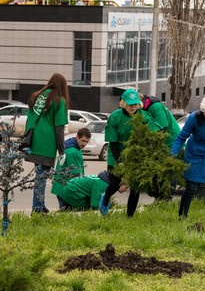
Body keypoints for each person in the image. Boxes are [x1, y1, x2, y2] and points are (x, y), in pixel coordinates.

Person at [24, 72, 70, 214]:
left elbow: (29, 120)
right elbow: (59, 128)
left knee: (40, 174)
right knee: (42, 176)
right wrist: (62, 151)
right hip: (46, 142)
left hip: (33, 140)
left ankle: (40, 204)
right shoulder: (58, 100)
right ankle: (37, 208)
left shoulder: (36, 96)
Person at [99, 88, 148, 216]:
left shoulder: (143, 117)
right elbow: (113, 143)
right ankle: (105, 198)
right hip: (116, 155)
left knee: (135, 188)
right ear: (124, 103)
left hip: (134, 156)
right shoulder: (115, 117)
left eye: (135, 104)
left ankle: (130, 216)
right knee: (115, 184)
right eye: (130, 104)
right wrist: (120, 161)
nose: (132, 107)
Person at [52, 128, 89, 210]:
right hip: (66, 189)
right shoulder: (72, 151)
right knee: (67, 213)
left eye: (86, 141)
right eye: (82, 140)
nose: (84, 144)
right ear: (77, 137)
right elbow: (75, 175)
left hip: (62, 187)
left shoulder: (73, 147)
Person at [61, 170, 127, 211]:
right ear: (120, 183)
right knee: (84, 209)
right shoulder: (103, 185)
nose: (126, 189)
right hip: (71, 191)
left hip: (69, 187)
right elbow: (95, 204)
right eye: (126, 187)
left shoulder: (105, 181)